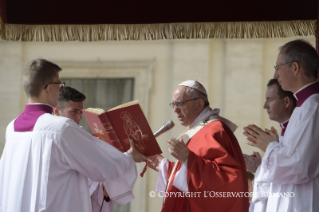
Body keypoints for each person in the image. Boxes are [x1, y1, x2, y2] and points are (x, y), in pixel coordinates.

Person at [0, 59, 147, 212]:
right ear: (49, 88)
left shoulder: (12, 128)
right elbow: (106, 166)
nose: (61, 90)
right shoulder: (61, 128)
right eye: (59, 85)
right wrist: (129, 157)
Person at [243, 39, 319, 212]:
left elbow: (300, 167)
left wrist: (270, 146)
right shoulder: (303, 107)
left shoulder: (313, 108)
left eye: (278, 67)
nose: (276, 75)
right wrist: (263, 163)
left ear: (295, 68)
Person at [152, 80, 249, 212]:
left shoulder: (215, 130)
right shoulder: (194, 130)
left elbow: (229, 180)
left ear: (199, 104)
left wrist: (188, 158)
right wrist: (164, 166)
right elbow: (190, 174)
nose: (175, 110)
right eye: (173, 104)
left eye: (180, 104)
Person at [53, 86, 113, 212]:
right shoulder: (49, 139)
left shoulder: (79, 137)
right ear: (56, 111)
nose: (79, 117)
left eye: (81, 112)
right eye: (74, 111)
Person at [243, 78, 296, 173]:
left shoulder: (299, 129)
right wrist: (260, 164)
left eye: (270, 99)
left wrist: (270, 146)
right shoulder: (286, 128)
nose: (265, 106)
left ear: (286, 102)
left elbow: (297, 171)